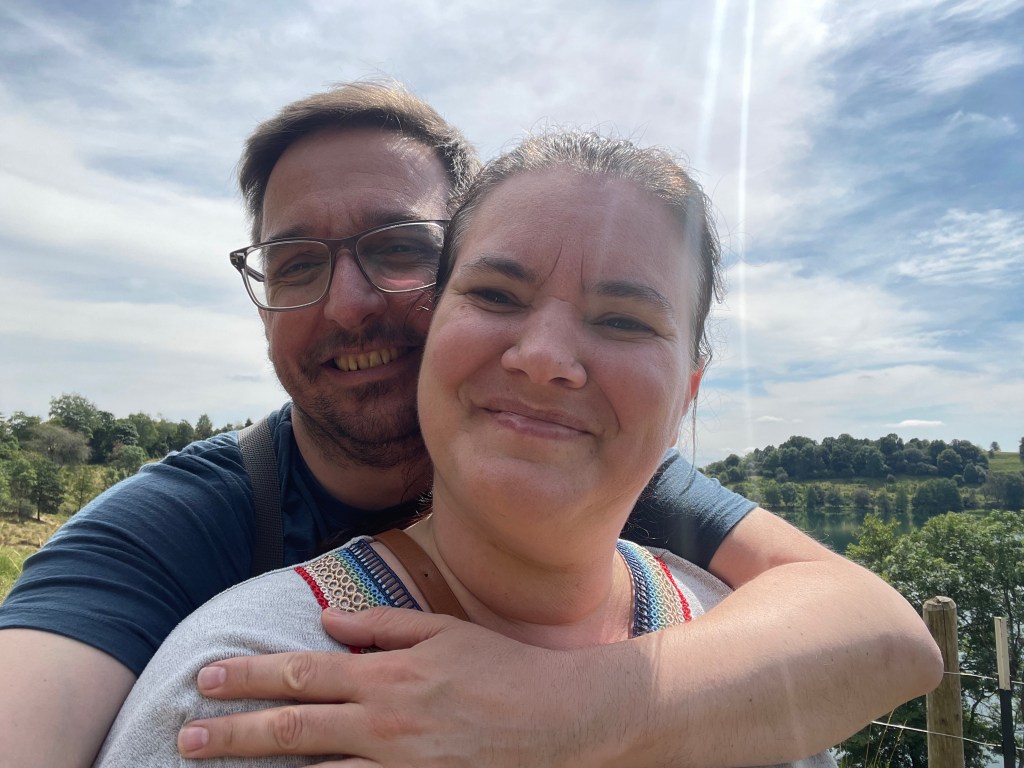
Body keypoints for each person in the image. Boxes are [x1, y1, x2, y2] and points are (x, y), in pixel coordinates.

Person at [0, 82, 940, 768]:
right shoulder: (177, 540)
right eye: (296, 264)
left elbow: (880, 629)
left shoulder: (602, 464)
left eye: (398, 249)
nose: (348, 304)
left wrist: (559, 712)